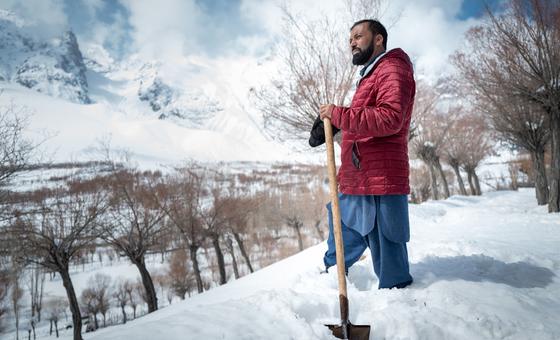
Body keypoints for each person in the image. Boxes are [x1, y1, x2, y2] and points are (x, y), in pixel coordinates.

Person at [309, 19, 415, 289]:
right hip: (358, 178)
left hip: (380, 180)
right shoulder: (371, 74)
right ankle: (329, 288)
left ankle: (401, 312)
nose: (352, 43)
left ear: (378, 39)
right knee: (340, 232)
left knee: (390, 260)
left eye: (358, 36)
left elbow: (391, 117)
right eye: (350, 40)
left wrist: (339, 115)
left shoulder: (393, 67)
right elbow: (364, 121)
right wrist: (335, 124)